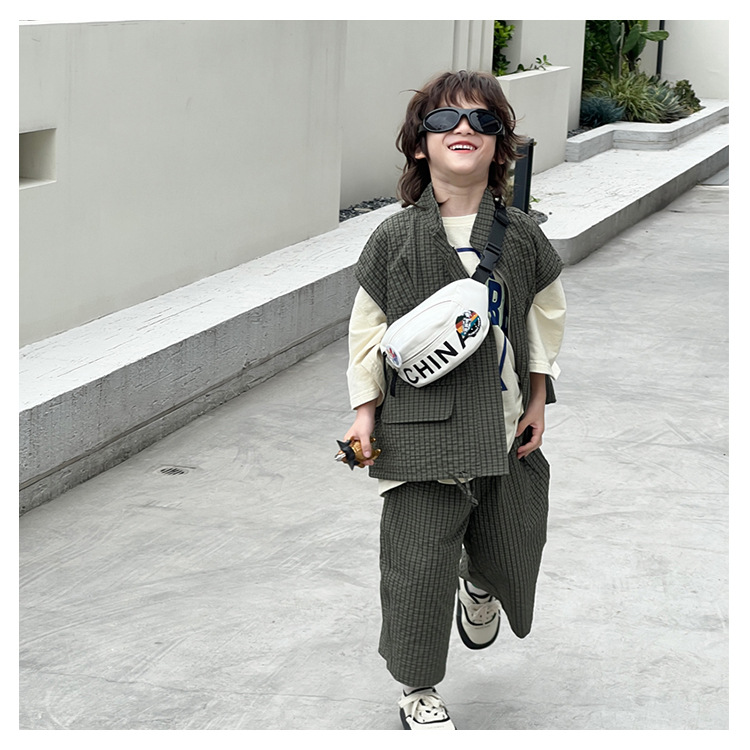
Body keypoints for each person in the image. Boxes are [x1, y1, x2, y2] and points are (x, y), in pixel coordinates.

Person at [344, 70, 566, 730]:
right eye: (444, 120)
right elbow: (368, 332)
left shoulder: (521, 234)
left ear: (501, 147)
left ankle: (482, 582)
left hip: (503, 427)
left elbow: (543, 317)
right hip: (419, 432)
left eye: (482, 121)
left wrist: (538, 398)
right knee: (415, 564)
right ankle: (417, 688)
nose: (463, 129)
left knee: (513, 539)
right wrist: (363, 413)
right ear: (420, 145)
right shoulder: (393, 239)